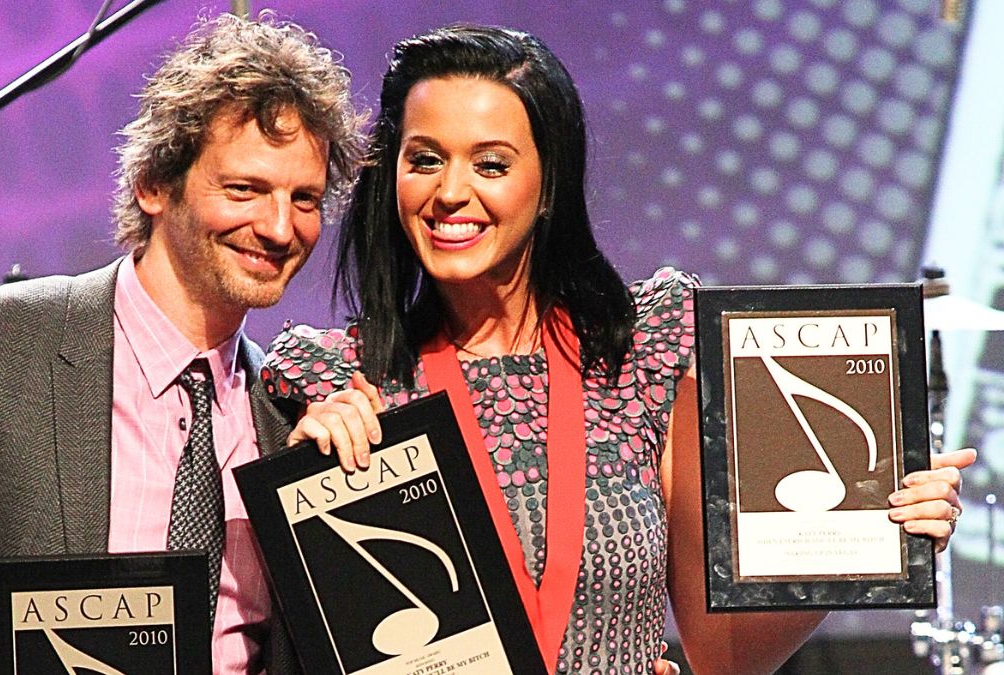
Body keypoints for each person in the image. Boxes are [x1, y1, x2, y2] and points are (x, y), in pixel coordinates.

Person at [260, 24, 976, 675]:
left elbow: (725, 656)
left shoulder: (638, 357)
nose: (451, 192)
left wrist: (865, 544)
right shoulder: (337, 380)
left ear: (547, 186)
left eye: (491, 164)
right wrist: (310, 463)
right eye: (425, 159)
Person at [0, 13, 362, 674]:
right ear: (152, 184)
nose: (277, 226)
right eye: (245, 189)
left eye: (304, 199)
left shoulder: (291, 418)